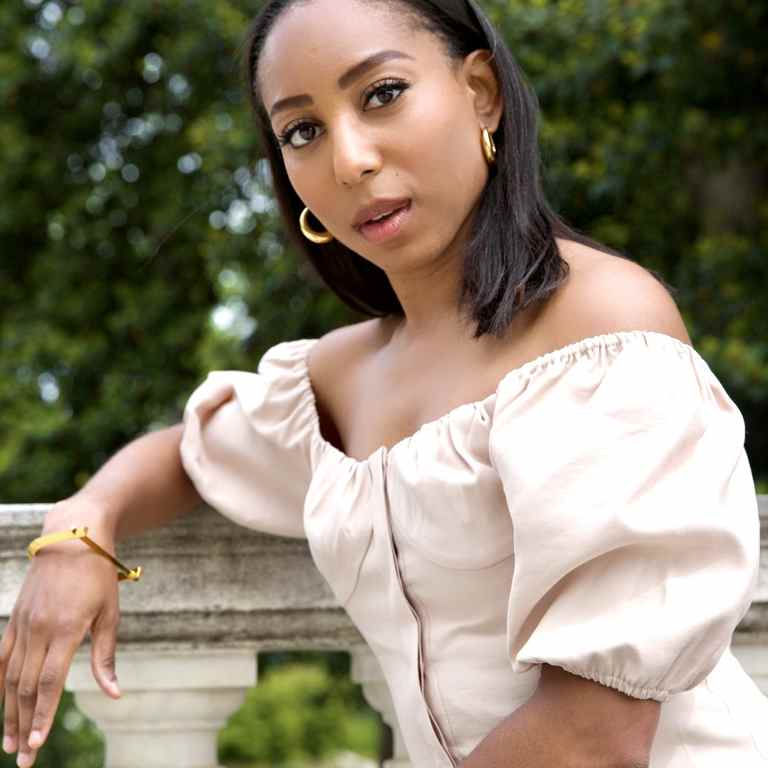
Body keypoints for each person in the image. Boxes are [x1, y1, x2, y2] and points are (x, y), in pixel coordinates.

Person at [2, 0, 767, 766]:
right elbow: (189, 451)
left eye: (382, 93)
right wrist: (81, 528)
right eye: (303, 131)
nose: (350, 160)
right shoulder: (343, 378)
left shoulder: (602, 329)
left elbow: (595, 735)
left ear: (481, 92)